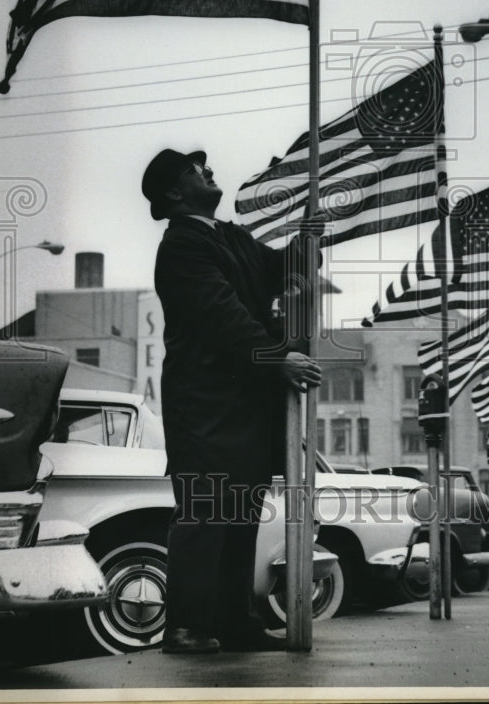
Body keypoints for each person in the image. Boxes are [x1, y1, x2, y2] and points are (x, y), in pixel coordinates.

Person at [141, 147, 322, 654]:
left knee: (241, 510)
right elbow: (220, 316)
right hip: (204, 404)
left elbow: (281, 271)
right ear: (175, 192)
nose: (210, 170)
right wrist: (277, 358)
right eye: (197, 170)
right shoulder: (180, 247)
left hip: (244, 403)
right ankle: (185, 625)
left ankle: (232, 619)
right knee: (205, 511)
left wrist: (308, 236)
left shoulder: (231, 238)